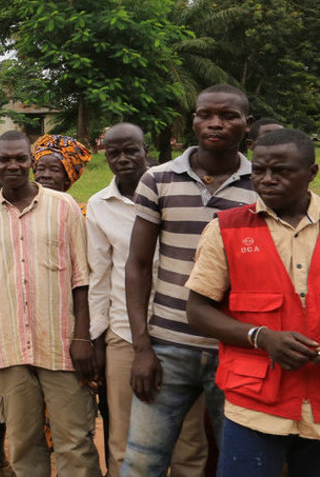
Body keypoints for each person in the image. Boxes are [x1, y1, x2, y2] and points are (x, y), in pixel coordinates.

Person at [125, 85, 257, 476]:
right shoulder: (158, 179)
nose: (215, 123)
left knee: (237, 464)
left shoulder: (261, 185)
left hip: (236, 350)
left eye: (229, 115)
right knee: (142, 462)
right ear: (193, 120)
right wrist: (142, 347)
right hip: (167, 348)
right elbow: (137, 265)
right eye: (205, 114)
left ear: (246, 125)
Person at [0, 130, 101, 477]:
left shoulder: (65, 207)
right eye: (5, 160)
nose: (13, 165)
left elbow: (81, 280)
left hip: (61, 347)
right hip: (7, 349)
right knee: (23, 444)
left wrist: (82, 338)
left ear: (31, 160)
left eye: (20, 158)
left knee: (75, 442)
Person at [185, 128, 320, 476]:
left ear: (311, 173)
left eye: (281, 171)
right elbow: (197, 311)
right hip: (254, 406)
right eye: (258, 170)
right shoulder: (226, 230)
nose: (266, 180)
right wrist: (261, 336)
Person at [86, 123, 206, 476]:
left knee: (189, 440)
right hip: (124, 332)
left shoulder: (175, 190)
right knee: (123, 437)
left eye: (131, 151)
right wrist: (98, 337)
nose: (123, 159)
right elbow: (99, 275)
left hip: (182, 331)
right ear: (105, 156)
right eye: (114, 153)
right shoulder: (99, 205)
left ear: (145, 150)